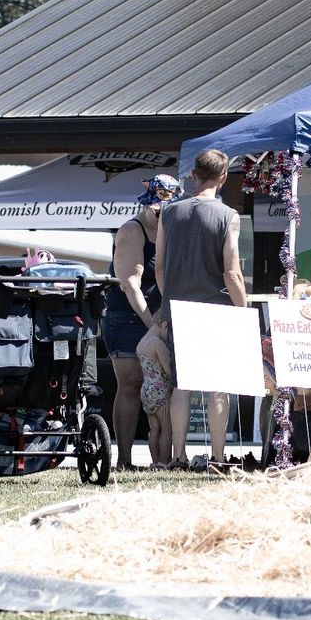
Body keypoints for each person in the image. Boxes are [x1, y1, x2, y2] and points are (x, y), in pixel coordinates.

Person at [154, 148, 247, 469]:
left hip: (178, 309)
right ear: (223, 177)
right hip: (217, 308)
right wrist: (243, 308)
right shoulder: (228, 216)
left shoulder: (168, 212)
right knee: (217, 386)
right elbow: (232, 271)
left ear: (193, 174)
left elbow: (160, 269)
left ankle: (177, 455)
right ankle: (218, 457)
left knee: (181, 384)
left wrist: (170, 304)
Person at [104, 174, 178, 470]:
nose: (162, 216)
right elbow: (129, 284)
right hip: (127, 316)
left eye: (167, 211)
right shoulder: (131, 231)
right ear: (147, 205)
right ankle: (123, 459)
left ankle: (162, 458)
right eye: (158, 210)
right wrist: (150, 323)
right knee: (132, 384)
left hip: (159, 317)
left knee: (163, 387)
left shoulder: (169, 231)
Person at [136, 316, 174, 468]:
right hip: (160, 389)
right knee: (167, 427)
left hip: (146, 389)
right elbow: (169, 371)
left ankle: (155, 461)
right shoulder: (157, 344)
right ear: (163, 324)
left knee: (155, 428)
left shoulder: (141, 343)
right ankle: (164, 461)